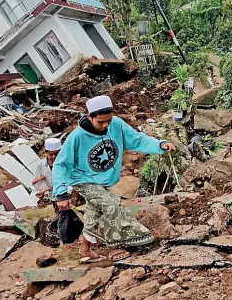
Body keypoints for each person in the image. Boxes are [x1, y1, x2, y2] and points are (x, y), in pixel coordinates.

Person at [52, 95, 175, 263]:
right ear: (90, 117)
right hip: (83, 179)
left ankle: (85, 248)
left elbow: (137, 140)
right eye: (100, 122)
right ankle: (115, 247)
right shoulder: (77, 137)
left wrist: (159, 145)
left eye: (108, 121)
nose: (106, 125)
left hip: (104, 180)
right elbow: (61, 164)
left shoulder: (116, 124)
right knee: (110, 205)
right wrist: (61, 193)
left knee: (96, 212)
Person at [34, 138, 62, 203]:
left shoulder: (65, 163)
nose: (54, 157)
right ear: (46, 153)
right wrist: (42, 191)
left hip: (66, 195)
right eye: (51, 154)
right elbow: (37, 180)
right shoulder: (41, 165)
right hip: (53, 197)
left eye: (56, 154)